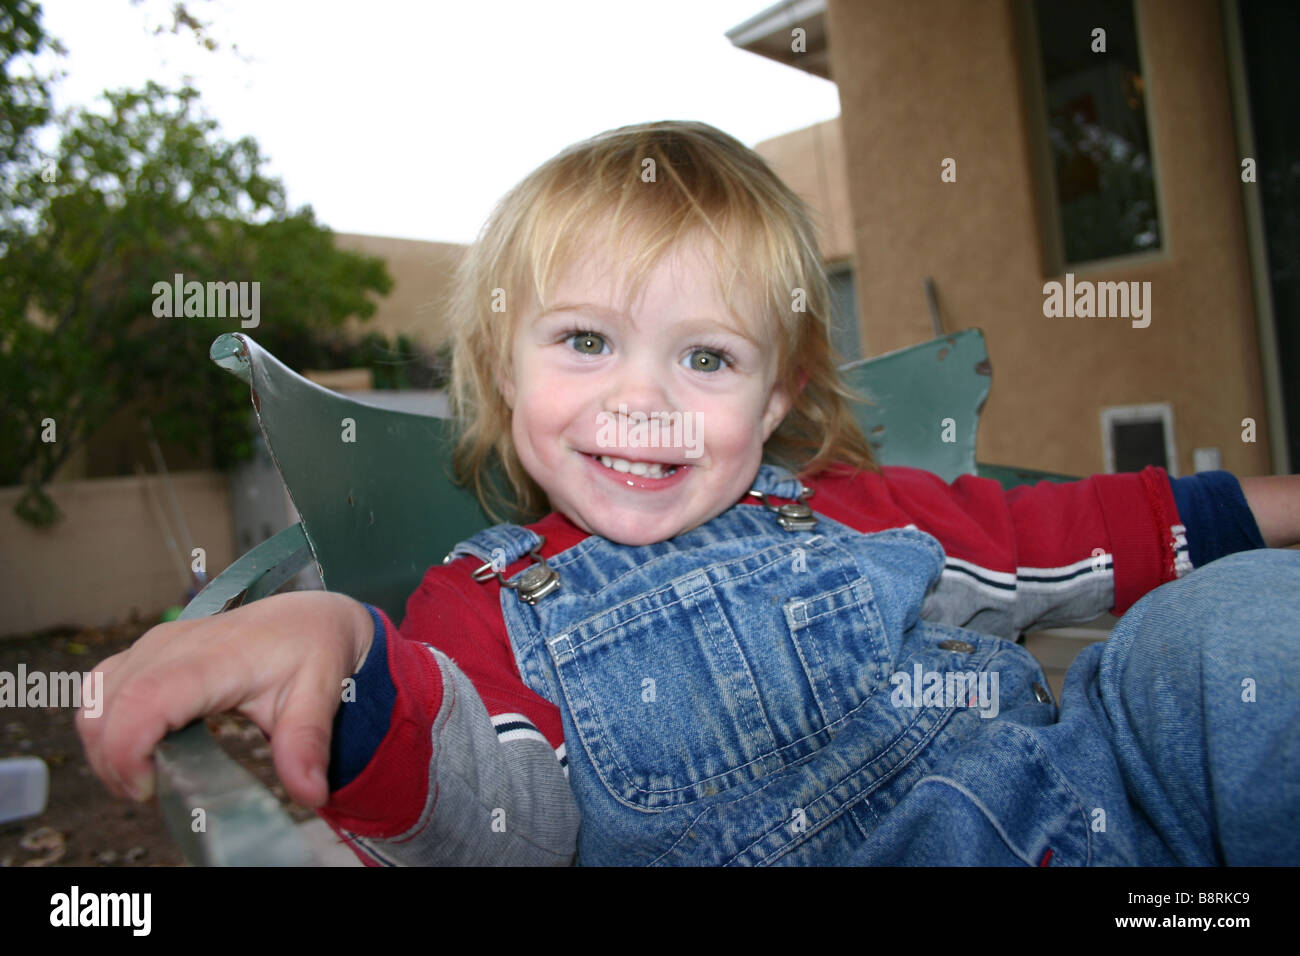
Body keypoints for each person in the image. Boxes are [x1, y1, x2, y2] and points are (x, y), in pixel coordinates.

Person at [78, 121, 1300, 866]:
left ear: (774, 399)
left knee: (1227, 629)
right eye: (586, 342)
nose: (645, 399)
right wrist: (343, 658)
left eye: (706, 357)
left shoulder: (856, 509)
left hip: (1090, 811)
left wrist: (1276, 505)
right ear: (502, 377)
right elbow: (496, 823)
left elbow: (1077, 537)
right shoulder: (485, 605)